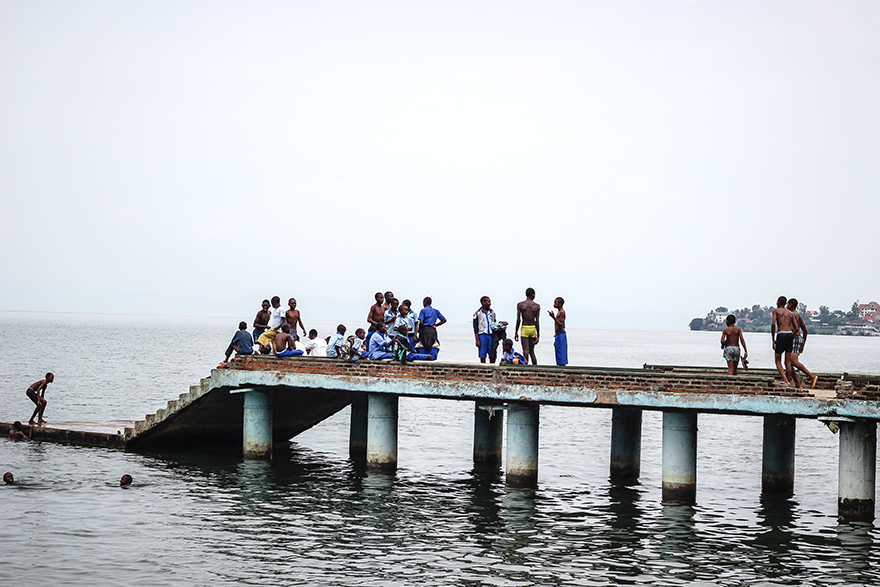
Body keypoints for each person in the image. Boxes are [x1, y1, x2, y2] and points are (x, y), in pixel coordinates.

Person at [788, 298, 819, 389]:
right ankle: (798, 384)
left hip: (794, 338)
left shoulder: (791, 315)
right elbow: (805, 331)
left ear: (790, 305)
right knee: (788, 363)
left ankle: (812, 376)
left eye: (787, 304)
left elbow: (794, 329)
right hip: (799, 339)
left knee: (793, 361)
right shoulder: (798, 315)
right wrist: (803, 344)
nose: (786, 306)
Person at [771, 296, 797, 386]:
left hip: (781, 334)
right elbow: (796, 328)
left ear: (778, 302)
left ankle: (786, 381)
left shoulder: (776, 311)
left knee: (778, 361)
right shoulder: (791, 313)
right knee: (787, 361)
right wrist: (792, 337)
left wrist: (773, 339)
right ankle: (789, 380)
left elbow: (773, 323)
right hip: (789, 334)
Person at [473, 296, 506, 364]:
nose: (490, 303)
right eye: (488, 302)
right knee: (482, 354)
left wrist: (498, 328)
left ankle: (492, 366)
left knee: (492, 352)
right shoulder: (478, 313)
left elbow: (494, 323)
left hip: (491, 335)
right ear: (483, 303)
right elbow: (475, 328)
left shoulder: (492, 312)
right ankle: (483, 367)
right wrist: (477, 340)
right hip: (482, 334)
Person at [515, 288, 541, 365]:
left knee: (525, 351)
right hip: (532, 328)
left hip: (524, 328)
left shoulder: (520, 305)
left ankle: (525, 367)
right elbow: (537, 321)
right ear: (533, 295)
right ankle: (535, 368)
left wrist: (516, 332)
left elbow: (518, 320)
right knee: (532, 352)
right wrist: (538, 335)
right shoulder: (537, 306)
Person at [548, 297, 567, 366]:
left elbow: (562, 325)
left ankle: (562, 368)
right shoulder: (559, 312)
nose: (554, 304)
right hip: (558, 334)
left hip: (561, 334)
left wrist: (553, 317)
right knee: (558, 353)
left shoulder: (562, 312)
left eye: (556, 303)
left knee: (561, 354)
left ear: (560, 304)